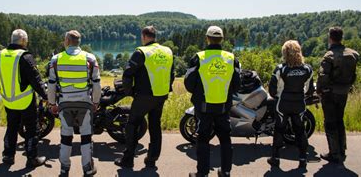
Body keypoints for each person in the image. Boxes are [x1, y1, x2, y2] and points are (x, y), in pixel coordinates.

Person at [115, 26, 174, 169]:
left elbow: (127, 74)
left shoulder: (141, 52)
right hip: (161, 95)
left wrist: (130, 92)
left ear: (144, 36)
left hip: (144, 96)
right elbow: (171, 74)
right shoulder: (168, 51)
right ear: (154, 36)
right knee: (155, 126)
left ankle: (128, 160)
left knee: (132, 124)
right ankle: (152, 159)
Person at [185, 26, 241, 177]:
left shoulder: (199, 57)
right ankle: (225, 171)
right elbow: (237, 84)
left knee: (203, 139)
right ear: (222, 39)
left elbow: (189, 83)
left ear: (207, 38)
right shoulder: (231, 58)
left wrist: (199, 92)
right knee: (225, 139)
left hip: (203, 107)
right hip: (223, 107)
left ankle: (202, 173)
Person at [48, 30, 101, 177]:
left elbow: (51, 84)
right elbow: (97, 84)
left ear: (67, 41)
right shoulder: (90, 58)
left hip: (65, 103)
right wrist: (95, 102)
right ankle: (88, 169)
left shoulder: (56, 59)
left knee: (66, 137)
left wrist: (52, 103)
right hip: (84, 102)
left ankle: (64, 169)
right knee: (86, 137)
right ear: (79, 42)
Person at [0, 29, 48, 168]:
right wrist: (47, 96)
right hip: (25, 101)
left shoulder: (0, 55)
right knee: (32, 129)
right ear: (24, 41)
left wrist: (5, 93)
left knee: (11, 127)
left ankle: (8, 156)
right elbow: (36, 80)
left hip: (8, 100)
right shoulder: (24, 56)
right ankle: (32, 158)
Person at [267, 40, 314, 169]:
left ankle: (275, 158)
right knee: (300, 130)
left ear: (284, 53)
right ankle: (303, 159)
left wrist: (278, 95)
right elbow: (310, 90)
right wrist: (301, 95)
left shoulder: (280, 69)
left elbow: (271, 90)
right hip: (299, 103)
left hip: (283, 104)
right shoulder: (307, 69)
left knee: (279, 129)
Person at [317, 27, 359, 164]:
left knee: (330, 122)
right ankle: (342, 150)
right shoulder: (353, 54)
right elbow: (354, 75)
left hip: (330, 93)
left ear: (330, 38)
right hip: (344, 92)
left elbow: (323, 76)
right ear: (341, 37)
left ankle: (334, 153)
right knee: (339, 120)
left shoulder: (329, 55)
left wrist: (320, 91)